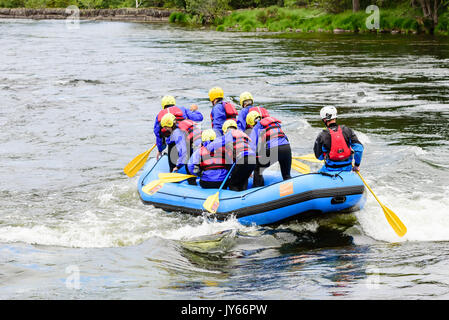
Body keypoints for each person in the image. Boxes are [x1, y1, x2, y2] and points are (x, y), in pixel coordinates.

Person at [205, 120, 256, 191]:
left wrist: (205, 145)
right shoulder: (242, 135)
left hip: (243, 160)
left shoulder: (228, 135)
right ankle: (244, 194)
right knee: (243, 179)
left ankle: (237, 199)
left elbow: (211, 147)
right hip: (253, 160)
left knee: (232, 183)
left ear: (225, 130)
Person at [247, 111, 292, 187]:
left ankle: (257, 190)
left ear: (251, 123)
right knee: (286, 176)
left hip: (274, 149)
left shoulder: (257, 126)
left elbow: (252, 147)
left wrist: (249, 167)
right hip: (287, 148)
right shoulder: (275, 124)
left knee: (257, 168)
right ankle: (292, 194)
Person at [313, 106, 364, 173]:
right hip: (348, 169)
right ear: (335, 117)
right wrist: (356, 165)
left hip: (329, 169)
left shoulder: (322, 135)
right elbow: (359, 149)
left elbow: (319, 157)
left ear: (324, 120)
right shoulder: (347, 130)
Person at [154, 95, 203, 160]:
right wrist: (194, 110)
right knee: (188, 161)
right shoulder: (182, 109)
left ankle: (175, 168)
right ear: (174, 103)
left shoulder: (159, 115)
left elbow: (158, 134)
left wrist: (160, 149)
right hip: (186, 140)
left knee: (173, 166)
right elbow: (199, 117)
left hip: (172, 144)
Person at [160, 113, 202, 185]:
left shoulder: (177, 132)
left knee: (189, 168)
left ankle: (193, 185)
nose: (166, 129)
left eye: (166, 127)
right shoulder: (182, 125)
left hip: (198, 149)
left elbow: (184, 152)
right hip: (203, 146)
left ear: (169, 126)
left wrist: (177, 166)